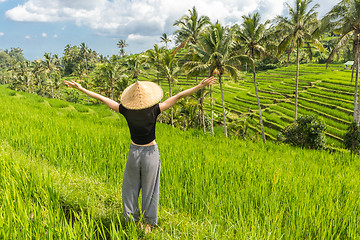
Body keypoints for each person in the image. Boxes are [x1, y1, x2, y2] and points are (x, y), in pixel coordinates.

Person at [64, 76, 216, 233]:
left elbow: (101, 98)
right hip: (151, 153)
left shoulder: (125, 110)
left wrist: (80, 88)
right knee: (150, 189)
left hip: (134, 152)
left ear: (130, 99)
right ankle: (148, 224)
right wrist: (199, 86)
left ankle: (133, 221)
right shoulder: (155, 109)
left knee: (129, 187)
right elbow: (178, 96)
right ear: (149, 97)